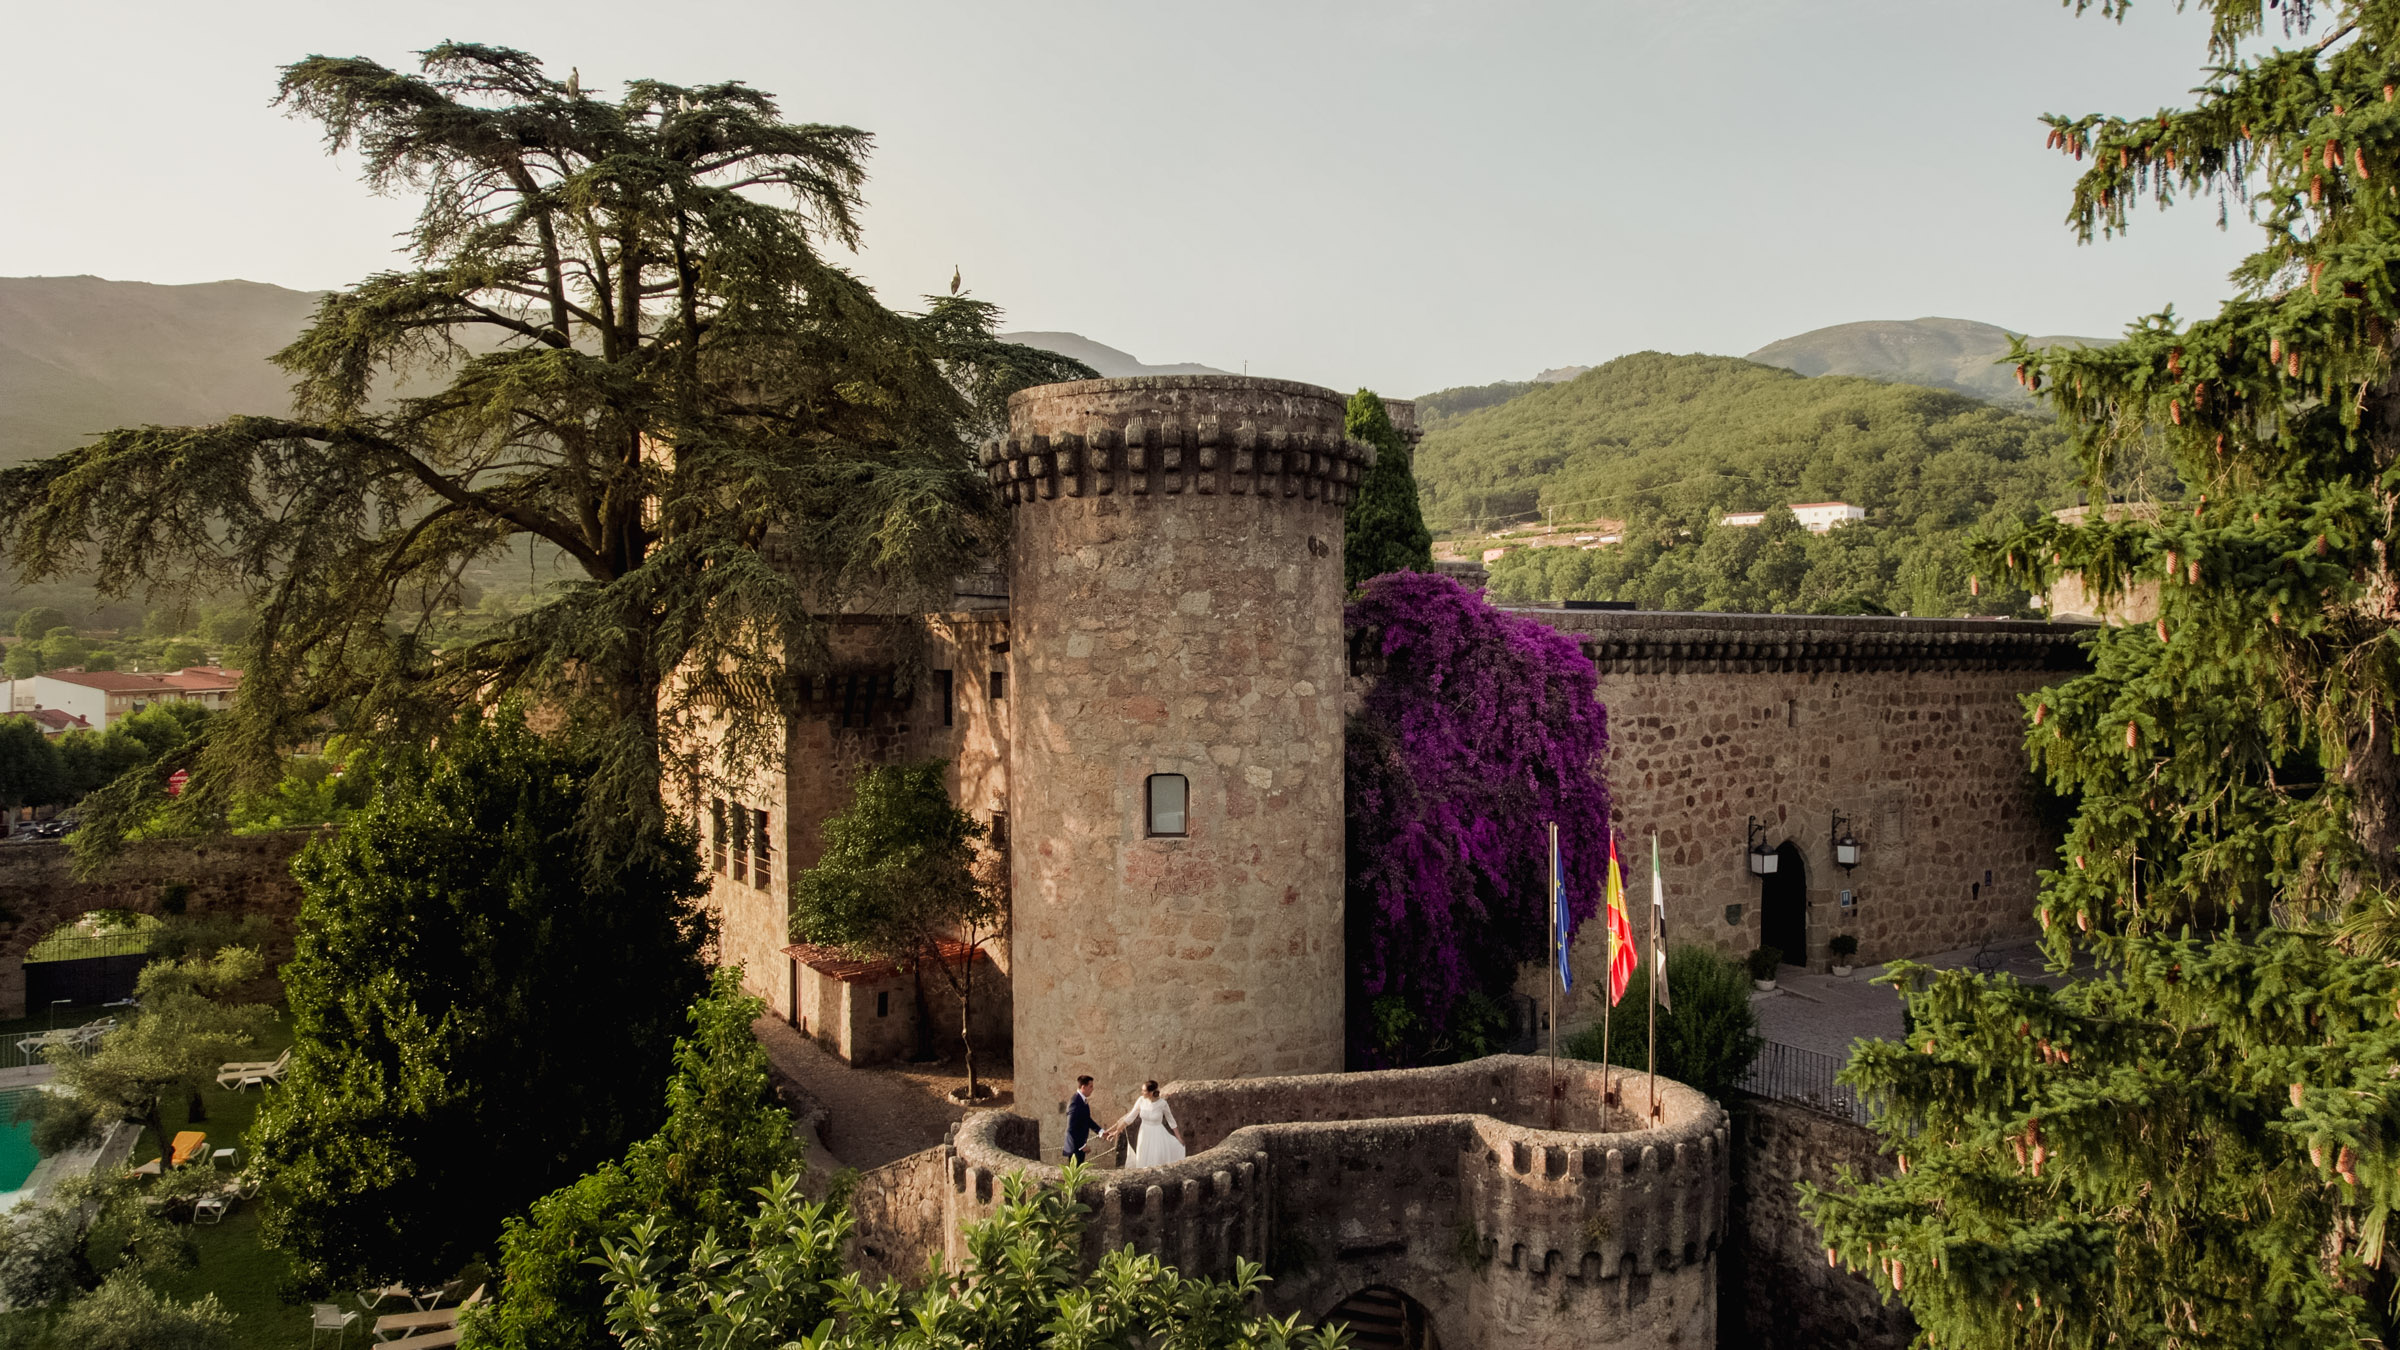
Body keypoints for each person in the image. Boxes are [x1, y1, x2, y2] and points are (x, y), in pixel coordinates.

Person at [1105, 1080, 1186, 1168]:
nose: (1142, 1092)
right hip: (1144, 1133)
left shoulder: (1162, 1104)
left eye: (1144, 1091)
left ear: (1151, 1093)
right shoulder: (1141, 1100)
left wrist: (1178, 1138)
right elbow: (1130, 1117)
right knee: (1142, 1155)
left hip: (1157, 1134)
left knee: (1156, 1157)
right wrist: (1116, 1132)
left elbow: (1171, 1121)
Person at [1063, 1074, 1098, 1162]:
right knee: (1075, 1174)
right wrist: (1082, 1146)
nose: (1092, 1089)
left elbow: (1087, 1120)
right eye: (1090, 1086)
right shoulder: (1075, 1102)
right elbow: (1071, 1128)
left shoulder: (1082, 1101)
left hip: (1079, 1147)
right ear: (1083, 1087)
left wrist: (1101, 1132)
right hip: (1075, 1147)